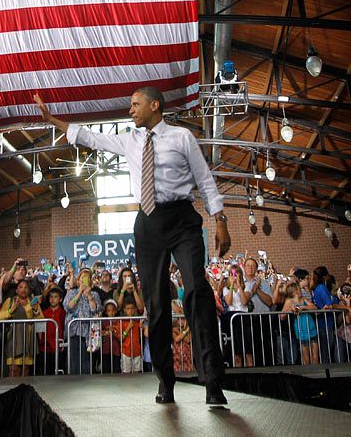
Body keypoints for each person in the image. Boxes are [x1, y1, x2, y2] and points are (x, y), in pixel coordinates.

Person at [36, 88, 230, 405]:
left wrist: (219, 219)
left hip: (182, 219)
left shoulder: (182, 137)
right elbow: (91, 137)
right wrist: (52, 120)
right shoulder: (129, 139)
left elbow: (205, 179)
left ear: (155, 105)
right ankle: (165, 381)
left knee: (196, 290)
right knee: (155, 302)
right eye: (130, 106)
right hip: (148, 223)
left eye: (135, 105)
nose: (130, 110)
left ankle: (212, 382)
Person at [0, 280, 44, 377]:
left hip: (29, 339)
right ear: (16, 290)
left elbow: (41, 320)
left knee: (26, 369)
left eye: (26, 287)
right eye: (20, 287)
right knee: (14, 369)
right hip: (13, 339)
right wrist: (11, 310)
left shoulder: (33, 302)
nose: (23, 289)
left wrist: (35, 310)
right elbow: (0, 317)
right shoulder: (10, 301)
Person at [64, 268, 101, 375]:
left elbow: (95, 310)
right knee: (73, 362)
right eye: (82, 277)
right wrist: (79, 293)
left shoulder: (94, 294)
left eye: (87, 277)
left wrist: (89, 295)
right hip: (73, 331)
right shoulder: (72, 292)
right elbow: (68, 307)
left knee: (87, 363)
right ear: (78, 280)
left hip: (89, 333)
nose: (85, 280)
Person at [38, 287, 66, 375]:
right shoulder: (44, 312)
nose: (52, 299)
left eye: (55, 297)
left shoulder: (63, 313)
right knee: (46, 371)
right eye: (51, 297)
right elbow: (39, 328)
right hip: (45, 347)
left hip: (58, 347)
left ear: (60, 299)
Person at [118, 302, 145, 374]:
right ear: (124, 310)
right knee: (126, 373)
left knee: (137, 372)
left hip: (137, 351)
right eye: (128, 309)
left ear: (135, 309)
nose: (130, 310)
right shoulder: (122, 322)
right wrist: (128, 328)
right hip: (126, 351)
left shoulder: (137, 321)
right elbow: (121, 338)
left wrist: (142, 328)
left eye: (132, 308)